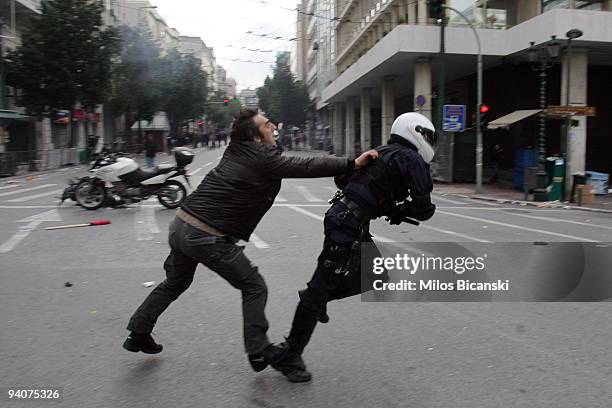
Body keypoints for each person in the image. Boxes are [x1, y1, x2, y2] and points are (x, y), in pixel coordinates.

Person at [123, 108, 378, 374]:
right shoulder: (262, 156)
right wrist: (352, 163)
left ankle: (138, 332)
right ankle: (259, 349)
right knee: (254, 286)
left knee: (175, 282)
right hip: (205, 235)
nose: (273, 129)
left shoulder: (237, 149)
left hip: (181, 225)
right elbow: (303, 165)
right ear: (256, 137)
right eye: (268, 126)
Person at [273, 112, 437, 383]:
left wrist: (387, 207)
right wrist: (401, 210)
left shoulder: (382, 152)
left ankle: (318, 299)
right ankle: (291, 353)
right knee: (320, 287)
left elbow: (346, 181)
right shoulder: (411, 158)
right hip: (347, 224)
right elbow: (424, 209)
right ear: (415, 133)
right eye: (428, 137)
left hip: (348, 220)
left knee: (375, 274)